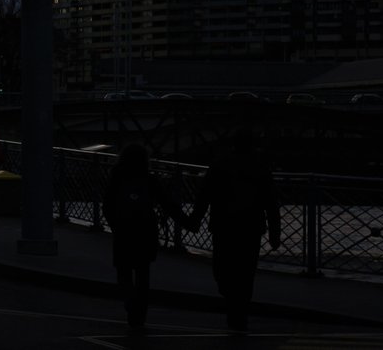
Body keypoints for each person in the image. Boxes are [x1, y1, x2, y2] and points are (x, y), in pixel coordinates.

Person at [187, 126, 282, 332]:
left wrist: (195, 219)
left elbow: (204, 195)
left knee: (222, 269)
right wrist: (275, 233)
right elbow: (271, 202)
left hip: (224, 225)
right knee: (246, 272)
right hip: (251, 227)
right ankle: (240, 311)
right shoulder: (260, 167)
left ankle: (232, 302)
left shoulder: (220, 164)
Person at [103, 144, 182, 331]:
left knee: (123, 271)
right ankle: (140, 313)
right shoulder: (149, 179)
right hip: (146, 231)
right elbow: (167, 203)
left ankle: (130, 300)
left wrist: (115, 225)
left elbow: (107, 206)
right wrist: (188, 222)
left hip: (124, 230)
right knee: (143, 273)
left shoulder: (117, 178)